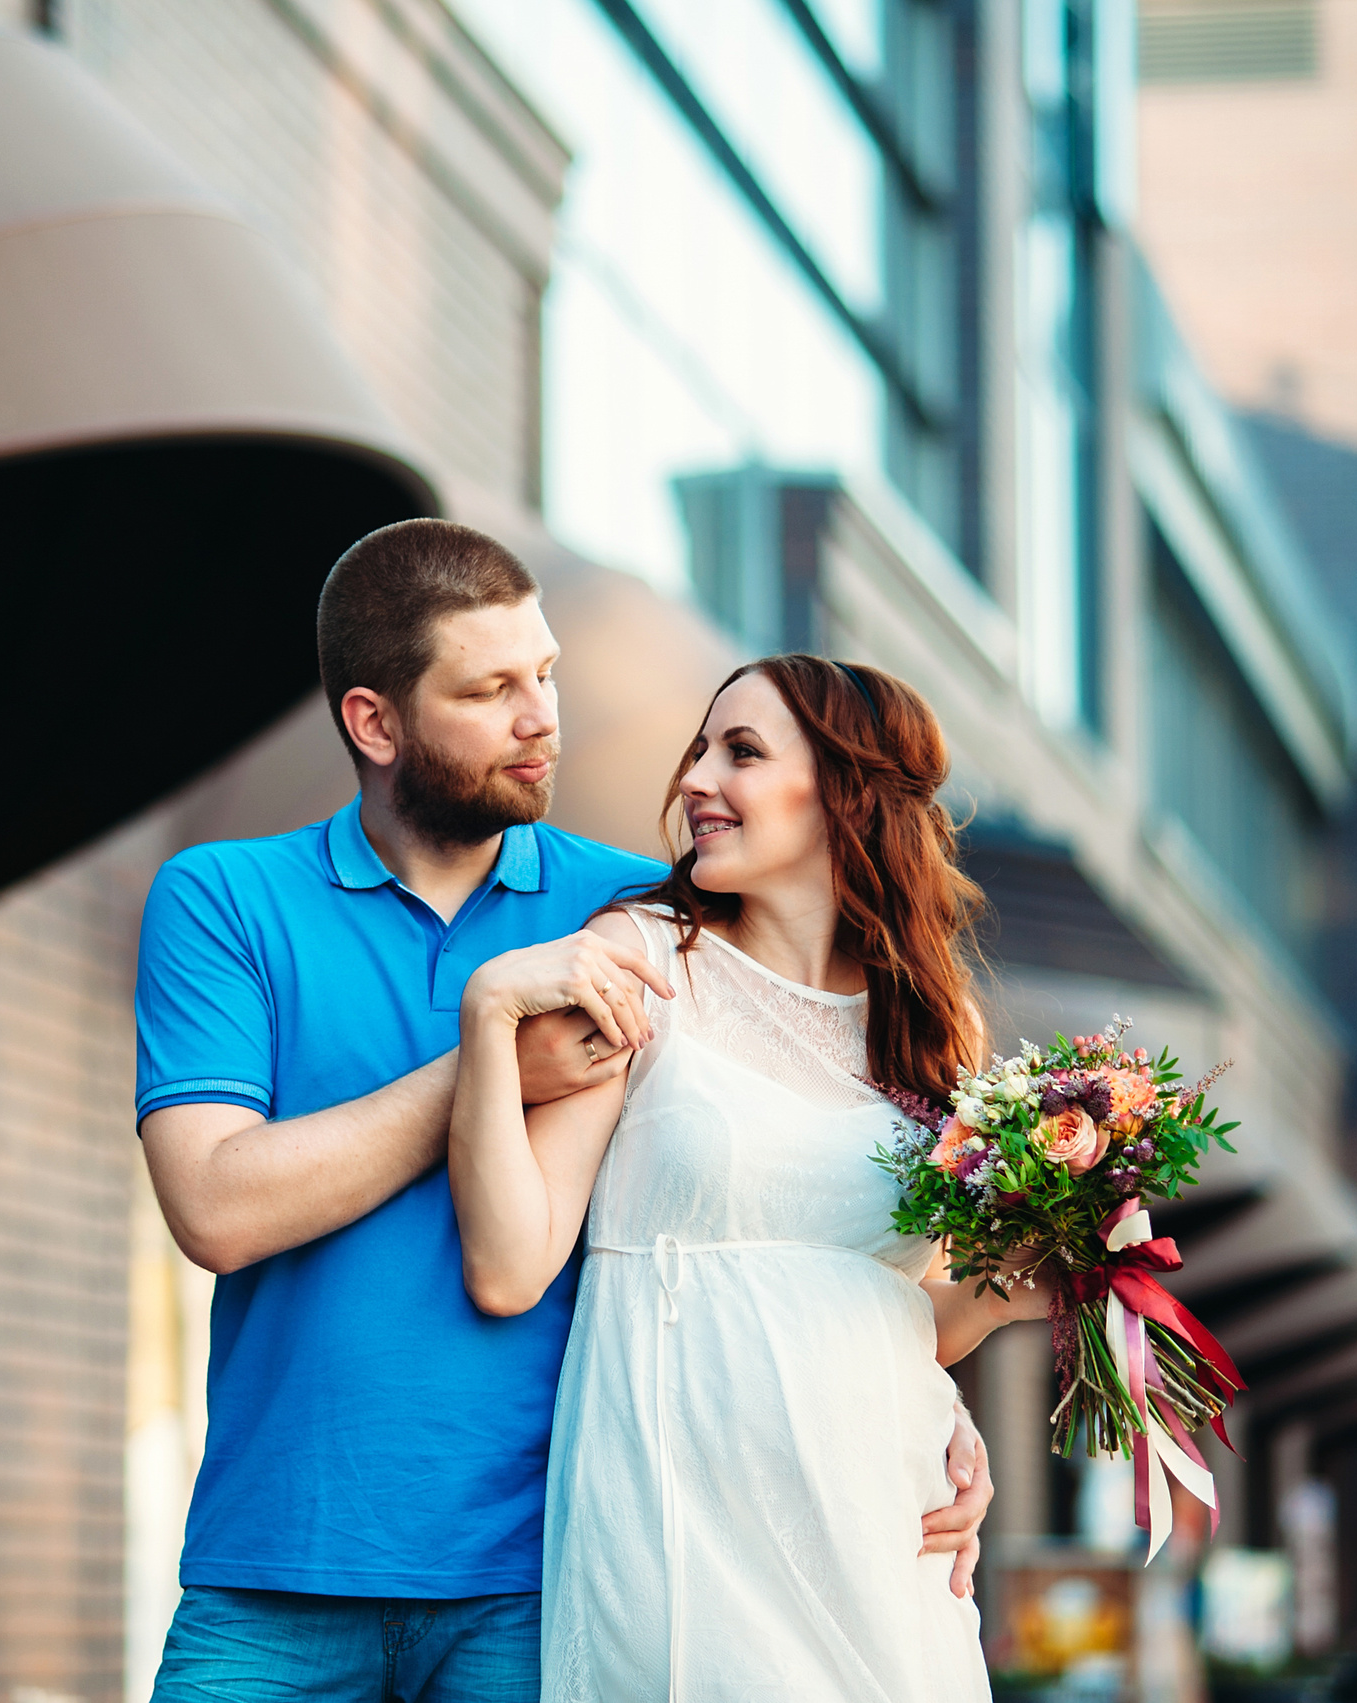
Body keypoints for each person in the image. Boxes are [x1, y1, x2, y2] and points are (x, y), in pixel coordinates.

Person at [135, 522, 994, 1702]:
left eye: (543, 673)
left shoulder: (642, 918)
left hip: (539, 1571)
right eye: (489, 689)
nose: (541, 716)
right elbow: (216, 1207)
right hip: (277, 1562)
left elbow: (792, 1174)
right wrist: (488, 1054)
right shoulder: (224, 898)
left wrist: (921, 1407)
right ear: (375, 722)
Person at [448, 654, 1054, 1701]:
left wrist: (1029, 1276)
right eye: (699, 750)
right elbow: (508, 1266)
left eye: (742, 752)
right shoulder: (640, 960)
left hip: (884, 1530)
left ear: (845, 792)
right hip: (685, 1536)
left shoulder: (935, 1028)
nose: (695, 779)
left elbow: (906, 1308)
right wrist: (488, 1015)